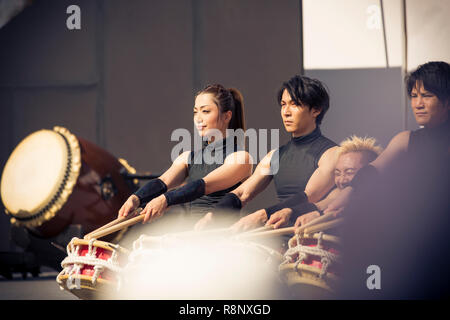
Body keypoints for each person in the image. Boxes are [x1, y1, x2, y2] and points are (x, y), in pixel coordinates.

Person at [332, 61, 450, 298]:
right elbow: (372, 172)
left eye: (427, 96)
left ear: (447, 100)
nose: (418, 103)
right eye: (414, 96)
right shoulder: (406, 140)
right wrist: (338, 200)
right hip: (418, 247)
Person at [195, 75, 339, 232]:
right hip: (280, 238)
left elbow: (310, 196)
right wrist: (213, 215)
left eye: (295, 104)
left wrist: (261, 215)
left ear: (316, 110)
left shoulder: (332, 153)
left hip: (313, 238)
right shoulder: (274, 156)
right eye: (283, 105)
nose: (286, 112)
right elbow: (242, 193)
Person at [118, 84, 252, 230]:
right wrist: (135, 199)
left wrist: (165, 200)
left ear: (227, 116)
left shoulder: (241, 158)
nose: (198, 119)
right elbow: (163, 181)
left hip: (224, 240)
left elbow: (204, 185)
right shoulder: (187, 157)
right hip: (193, 237)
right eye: (195, 112)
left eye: (206, 111)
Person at [258, 135, 383, 229]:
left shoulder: (384, 201)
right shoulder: (338, 193)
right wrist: (289, 212)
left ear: (369, 172)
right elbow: (321, 205)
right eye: (338, 173)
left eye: (349, 172)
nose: (342, 180)